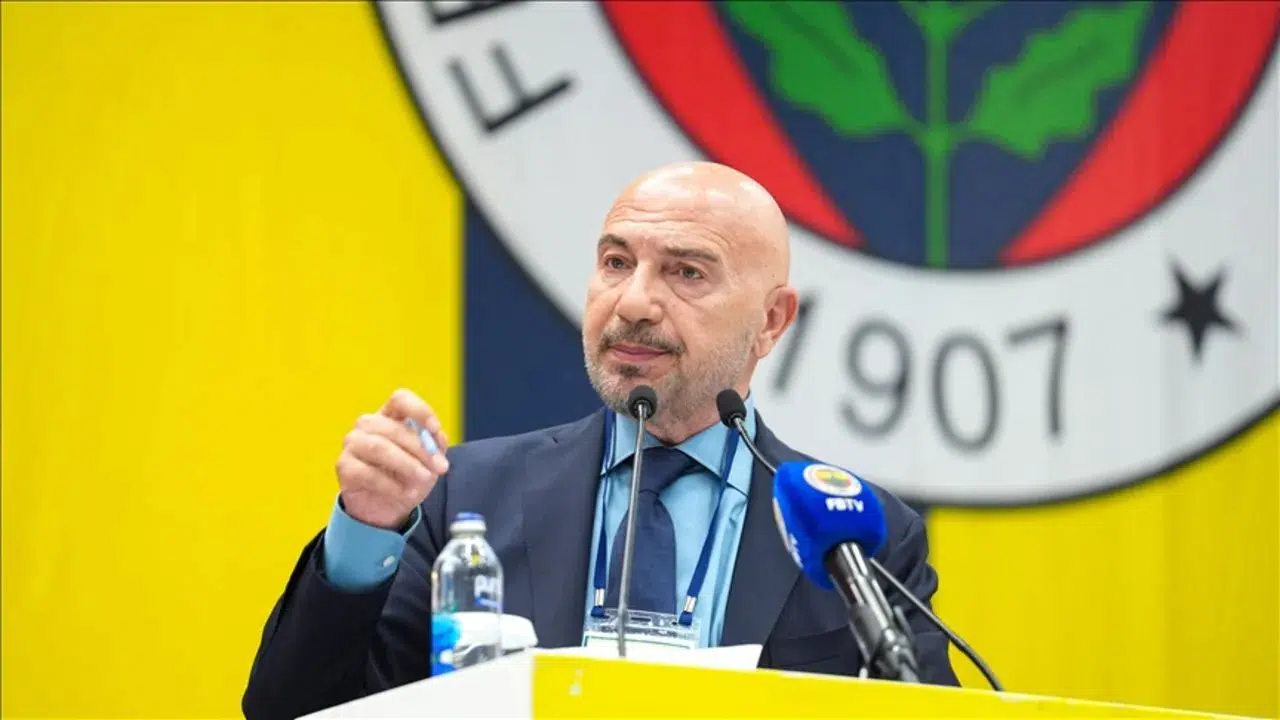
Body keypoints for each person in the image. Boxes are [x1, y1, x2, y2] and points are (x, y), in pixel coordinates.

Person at [242, 162, 959, 719]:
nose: (634, 302)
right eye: (616, 263)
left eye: (686, 272)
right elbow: (291, 709)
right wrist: (365, 532)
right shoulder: (463, 496)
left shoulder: (854, 534)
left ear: (771, 322)